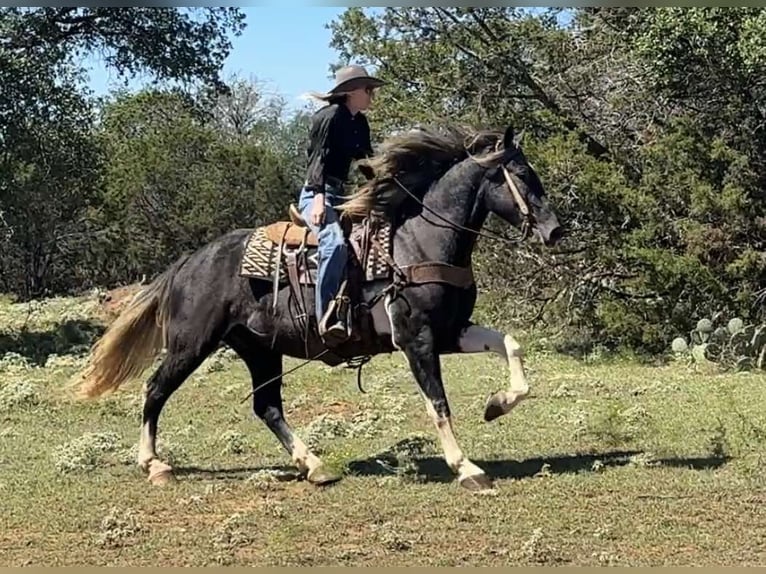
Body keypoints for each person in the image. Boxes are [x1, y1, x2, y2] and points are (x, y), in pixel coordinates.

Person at [298, 64, 384, 342]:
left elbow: (365, 162)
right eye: (367, 89)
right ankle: (326, 319)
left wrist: (383, 187)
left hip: (343, 196)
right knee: (333, 244)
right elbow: (317, 161)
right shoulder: (330, 116)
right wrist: (320, 199)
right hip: (317, 194)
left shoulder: (359, 122)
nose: (372, 94)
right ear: (351, 92)